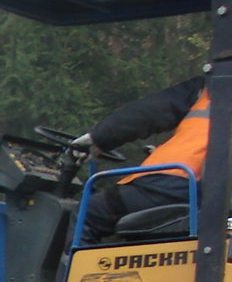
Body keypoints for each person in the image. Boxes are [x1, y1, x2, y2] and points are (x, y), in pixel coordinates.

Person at [76, 75, 207, 243]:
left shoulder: (215, 85)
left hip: (176, 181)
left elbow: (150, 112)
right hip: (212, 197)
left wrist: (98, 138)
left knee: (90, 211)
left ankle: (74, 268)